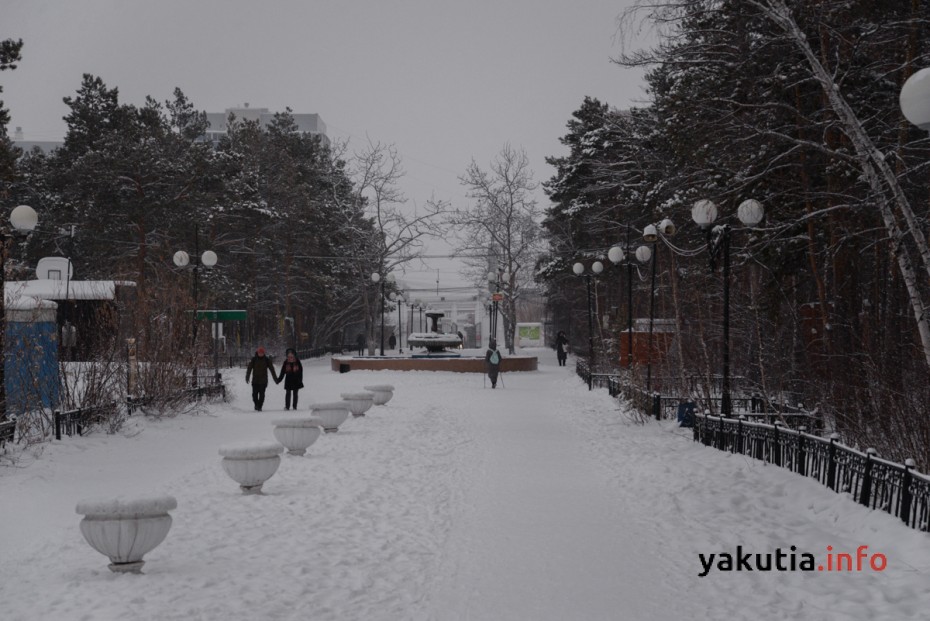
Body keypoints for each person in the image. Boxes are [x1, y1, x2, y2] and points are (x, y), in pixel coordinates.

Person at [245, 347, 274, 411]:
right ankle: (256, 404)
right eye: (259, 353)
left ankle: (260, 406)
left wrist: (276, 379)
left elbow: (272, 369)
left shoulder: (267, 360)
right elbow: (249, 368)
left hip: (263, 381)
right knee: (254, 395)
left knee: (262, 395)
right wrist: (247, 377)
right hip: (255, 381)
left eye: (262, 353)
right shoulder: (254, 359)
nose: (260, 354)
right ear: (257, 353)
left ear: (264, 353)